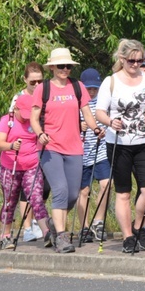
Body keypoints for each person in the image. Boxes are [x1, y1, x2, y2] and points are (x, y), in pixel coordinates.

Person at [30, 48, 103, 254]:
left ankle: (54, 224)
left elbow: (87, 113)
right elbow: (34, 119)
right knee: (60, 190)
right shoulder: (43, 89)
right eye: (61, 66)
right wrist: (39, 134)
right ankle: (62, 237)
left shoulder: (77, 86)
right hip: (50, 147)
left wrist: (96, 128)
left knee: (72, 194)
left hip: (74, 147)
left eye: (68, 66)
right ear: (52, 67)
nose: (65, 69)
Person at [95, 40, 145, 253]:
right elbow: (100, 112)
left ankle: (139, 225)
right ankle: (128, 236)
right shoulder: (110, 82)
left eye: (140, 61)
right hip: (119, 143)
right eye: (131, 60)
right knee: (123, 193)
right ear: (121, 59)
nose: (136, 64)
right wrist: (109, 121)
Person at [0, 93, 51, 250]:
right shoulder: (7, 121)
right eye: (24, 114)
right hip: (10, 167)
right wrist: (11, 146)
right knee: (9, 201)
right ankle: (5, 236)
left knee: (36, 198)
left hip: (32, 165)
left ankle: (47, 232)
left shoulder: (34, 121)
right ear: (16, 108)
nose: (26, 118)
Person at [9, 62, 46, 242]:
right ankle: (27, 227)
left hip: (44, 146)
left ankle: (39, 222)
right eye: (33, 82)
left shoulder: (46, 95)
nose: (37, 85)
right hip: (26, 148)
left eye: (40, 81)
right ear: (25, 80)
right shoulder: (18, 98)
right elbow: (12, 122)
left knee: (42, 189)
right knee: (26, 189)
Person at [77, 68, 111, 244]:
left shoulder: (103, 102)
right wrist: (78, 126)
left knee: (106, 184)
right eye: (88, 88)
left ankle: (98, 222)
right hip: (82, 152)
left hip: (101, 151)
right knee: (84, 190)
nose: (92, 92)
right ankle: (84, 226)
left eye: (94, 88)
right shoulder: (76, 102)